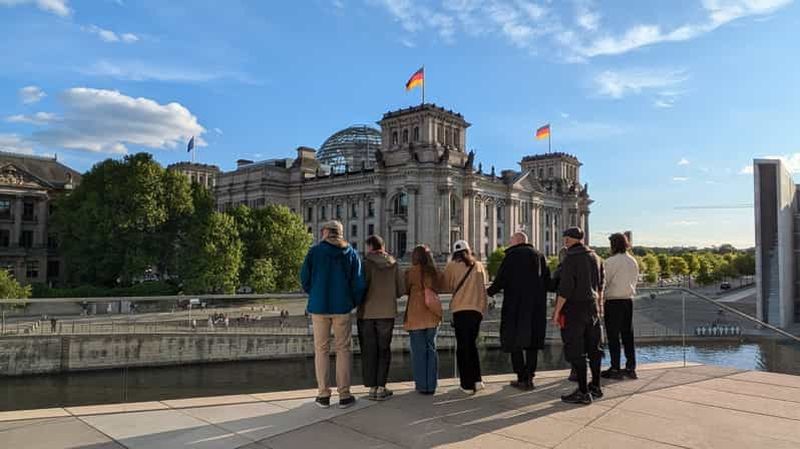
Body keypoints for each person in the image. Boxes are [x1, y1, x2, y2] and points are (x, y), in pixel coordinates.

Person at [300, 220, 366, 409]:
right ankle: (344, 395)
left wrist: (315, 293)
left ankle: (323, 395)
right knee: (343, 349)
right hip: (342, 307)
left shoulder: (315, 252)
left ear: (326, 232)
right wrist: (351, 301)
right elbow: (359, 283)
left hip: (319, 307)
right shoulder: (351, 253)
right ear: (340, 233)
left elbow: (304, 277)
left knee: (321, 350)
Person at [487, 232, 550, 391]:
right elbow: (548, 282)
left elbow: (501, 280)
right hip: (536, 307)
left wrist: (488, 292)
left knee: (514, 341)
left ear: (516, 242)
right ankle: (529, 377)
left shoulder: (512, 256)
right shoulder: (540, 256)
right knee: (532, 343)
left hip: (515, 307)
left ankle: (521, 377)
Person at [552, 227, 604, 405]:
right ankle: (596, 386)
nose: (564, 241)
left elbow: (565, 289)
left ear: (569, 239)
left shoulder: (571, 258)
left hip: (574, 309)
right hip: (592, 308)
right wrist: (599, 306)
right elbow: (599, 285)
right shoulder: (595, 257)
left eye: (565, 238)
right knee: (594, 349)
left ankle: (583, 391)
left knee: (576, 351)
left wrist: (557, 312)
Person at [358, 235, 405, 401]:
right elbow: (400, 290)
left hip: (367, 313)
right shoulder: (394, 264)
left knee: (370, 351)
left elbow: (359, 287)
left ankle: (372, 387)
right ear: (383, 246)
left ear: (370, 247)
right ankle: (381, 387)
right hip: (387, 313)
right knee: (384, 350)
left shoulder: (364, 264)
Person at [443, 240, 488, 395]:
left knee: (463, 348)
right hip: (476, 311)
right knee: (472, 346)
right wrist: (482, 308)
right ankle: (478, 380)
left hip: (460, 310)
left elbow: (447, 285)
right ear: (469, 250)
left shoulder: (452, 266)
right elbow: (484, 286)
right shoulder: (479, 265)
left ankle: (466, 385)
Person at [404, 245, 442, 395]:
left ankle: (421, 386)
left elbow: (405, 289)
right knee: (431, 350)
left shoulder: (410, 272)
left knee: (418, 352)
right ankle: (431, 385)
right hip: (432, 315)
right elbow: (441, 286)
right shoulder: (434, 272)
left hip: (415, 316)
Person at [601, 233, 640, 380]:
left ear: (614, 245)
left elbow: (604, 282)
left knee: (613, 336)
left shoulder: (610, 262)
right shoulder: (633, 261)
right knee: (628, 335)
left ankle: (615, 367)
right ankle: (631, 367)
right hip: (628, 300)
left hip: (613, 301)